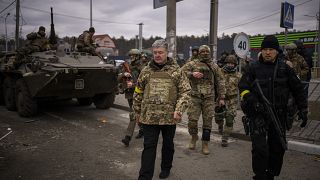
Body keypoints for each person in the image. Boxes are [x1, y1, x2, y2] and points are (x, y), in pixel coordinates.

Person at [238, 35, 308, 180]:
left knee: (277, 147)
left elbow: (297, 89)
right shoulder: (253, 68)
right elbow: (243, 87)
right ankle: (259, 175)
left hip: (279, 114)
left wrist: (303, 109)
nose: (267, 52)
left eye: (271, 49)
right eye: (265, 49)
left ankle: (271, 174)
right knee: (259, 149)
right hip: (258, 114)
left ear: (277, 51)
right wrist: (252, 100)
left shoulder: (284, 68)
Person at [133, 39, 190, 180]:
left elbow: (185, 92)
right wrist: (137, 112)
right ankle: (144, 176)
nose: (157, 55)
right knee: (149, 147)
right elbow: (138, 92)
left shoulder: (176, 71)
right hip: (149, 117)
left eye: (160, 52)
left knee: (168, 145)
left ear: (167, 53)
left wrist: (179, 109)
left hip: (169, 117)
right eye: (155, 53)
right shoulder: (145, 71)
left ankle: (166, 168)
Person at [181, 45, 226, 155]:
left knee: (207, 122)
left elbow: (220, 81)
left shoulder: (214, 66)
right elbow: (180, 73)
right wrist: (192, 74)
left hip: (209, 98)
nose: (205, 53)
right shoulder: (192, 64)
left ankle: (205, 143)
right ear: (199, 53)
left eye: (207, 51)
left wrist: (221, 97)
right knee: (192, 120)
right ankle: (194, 137)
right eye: (203, 51)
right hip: (194, 97)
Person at [214, 55, 241, 147]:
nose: (230, 65)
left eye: (232, 63)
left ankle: (225, 138)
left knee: (229, 119)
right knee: (218, 117)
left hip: (232, 100)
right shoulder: (220, 73)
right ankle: (220, 125)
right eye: (228, 63)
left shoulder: (238, 75)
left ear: (235, 65)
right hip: (220, 99)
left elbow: (243, 87)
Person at [120, 49, 145, 146]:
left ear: (138, 56)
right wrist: (124, 74)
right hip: (129, 94)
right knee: (136, 113)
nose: (131, 57)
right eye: (130, 56)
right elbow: (118, 77)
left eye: (133, 56)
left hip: (138, 94)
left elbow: (144, 82)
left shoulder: (142, 67)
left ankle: (128, 137)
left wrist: (133, 84)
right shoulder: (128, 66)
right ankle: (142, 130)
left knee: (133, 115)